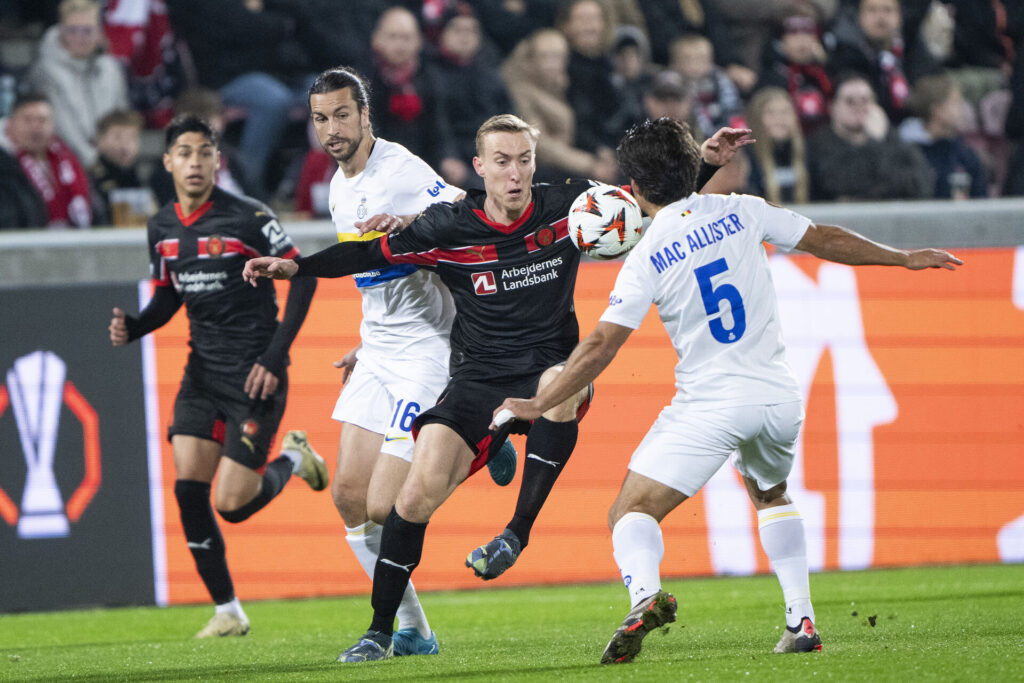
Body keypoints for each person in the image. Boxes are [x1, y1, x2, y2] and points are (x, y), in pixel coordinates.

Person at [243, 113, 751, 663]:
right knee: (407, 500)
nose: (515, 174)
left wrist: (703, 163)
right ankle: (380, 630)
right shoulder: (448, 225)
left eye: (525, 160)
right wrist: (296, 268)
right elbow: (367, 253)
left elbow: (654, 206)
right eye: (502, 162)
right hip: (477, 378)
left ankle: (517, 531)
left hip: (548, 368)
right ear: (480, 168)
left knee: (562, 384)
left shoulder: (572, 206)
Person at [488, 116, 962, 665]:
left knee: (630, 511)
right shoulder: (744, 209)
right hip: (779, 400)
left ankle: (644, 596)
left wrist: (537, 403)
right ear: (693, 168)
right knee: (770, 494)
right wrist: (902, 257)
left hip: (712, 404)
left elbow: (599, 346)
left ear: (633, 188)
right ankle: (800, 619)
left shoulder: (643, 256)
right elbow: (822, 239)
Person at [298, 66, 516, 657]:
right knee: (347, 496)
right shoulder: (337, 186)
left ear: (366, 115)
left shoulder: (402, 171)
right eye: (322, 118)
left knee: (383, 504)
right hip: (380, 348)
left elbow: (474, 218)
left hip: (427, 350)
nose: (333, 129)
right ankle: (415, 630)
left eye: (343, 114)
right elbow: (373, 274)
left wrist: (415, 223)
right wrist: (367, 344)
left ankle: (484, 432)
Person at [108, 114, 322, 638]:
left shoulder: (249, 218)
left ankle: (294, 458)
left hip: (254, 375)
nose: (196, 162)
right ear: (167, 162)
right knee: (188, 490)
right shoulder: (160, 228)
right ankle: (228, 610)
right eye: (185, 152)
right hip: (201, 373)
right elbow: (167, 297)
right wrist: (136, 327)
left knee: (231, 505)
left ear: (217, 161)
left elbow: (304, 278)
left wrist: (275, 356)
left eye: (205, 152)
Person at [28, 0, 130, 168]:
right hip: (64, 164)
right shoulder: (46, 71)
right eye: (73, 30)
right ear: (61, 31)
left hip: (110, 162)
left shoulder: (111, 68)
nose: (80, 37)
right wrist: (95, 162)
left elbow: (121, 117)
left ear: (99, 32)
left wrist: (119, 151)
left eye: (87, 30)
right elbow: (61, 127)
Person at [807, 73, 933, 200]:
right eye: (850, 101)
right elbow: (842, 183)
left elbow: (921, 182)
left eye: (865, 100)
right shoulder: (819, 144)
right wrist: (875, 144)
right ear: (832, 107)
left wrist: (876, 142)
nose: (859, 107)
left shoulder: (891, 137)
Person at [0, 92, 91, 228]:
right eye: (28, 120)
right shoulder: (5, 166)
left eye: (43, 120)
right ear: (11, 124)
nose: (36, 127)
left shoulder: (69, 159)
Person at [89, 109, 153, 226]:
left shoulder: (142, 178)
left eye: (132, 138)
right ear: (100, 140)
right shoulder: (89, 180)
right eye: (117, 137)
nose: (125, 145)